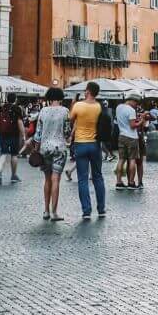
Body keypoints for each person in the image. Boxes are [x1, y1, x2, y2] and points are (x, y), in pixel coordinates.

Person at [27, 87, 69, 221]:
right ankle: (54, 212)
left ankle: (45, 211)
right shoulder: (65, 111)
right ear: (61, 97)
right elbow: (67, 132)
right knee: (56, 179)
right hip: (59, 148)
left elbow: (38, 134)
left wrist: (36, 149)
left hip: (44, 149)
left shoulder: (43, 111)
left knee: (47, 179)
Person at [70, 81, 106, 220]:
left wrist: (73, 102)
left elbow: (71, 119)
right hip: (95, 144)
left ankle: (86, 211)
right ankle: (101, 209)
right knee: (98, 177)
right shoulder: (99, 106)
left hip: (81, 144)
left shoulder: (78, 105)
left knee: (83, 179)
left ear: (88, 91)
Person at [0, 97, 25, 184]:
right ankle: (14, 175)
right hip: (14, 134)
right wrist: (23, 135)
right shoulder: (17, 108)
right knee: (14, 155)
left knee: (3, 153)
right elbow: (20, 122)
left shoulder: (1, 107)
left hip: (3, 134)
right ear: (15, 99)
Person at [115, 98, 144, 188]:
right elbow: (133, 126)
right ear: (132, 100)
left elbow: (126, 121)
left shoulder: (118, 107)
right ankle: (131, 182)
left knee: (121, 159)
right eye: (136, 103)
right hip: (131, 137)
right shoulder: (131, 110)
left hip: (121, 135)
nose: (136, 105)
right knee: (132, 160)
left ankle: (118, 182)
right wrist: (142, 120)